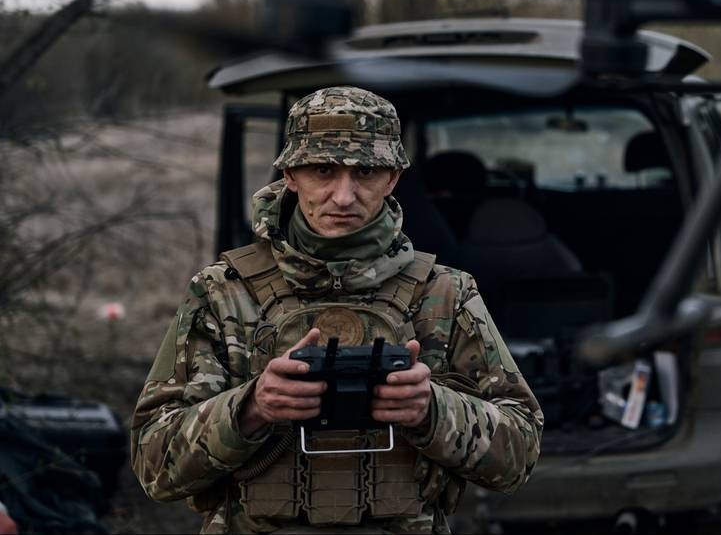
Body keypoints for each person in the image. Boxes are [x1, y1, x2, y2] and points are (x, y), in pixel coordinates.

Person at [130, 87, 543, 533]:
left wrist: (433, 410)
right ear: (290, 174)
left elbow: (519, 456)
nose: (343, 196)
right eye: (323, 170)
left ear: (392, 179)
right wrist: (251, 408)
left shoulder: (445, 294)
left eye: (365, 171)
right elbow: (155, 466)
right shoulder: (222, 293)